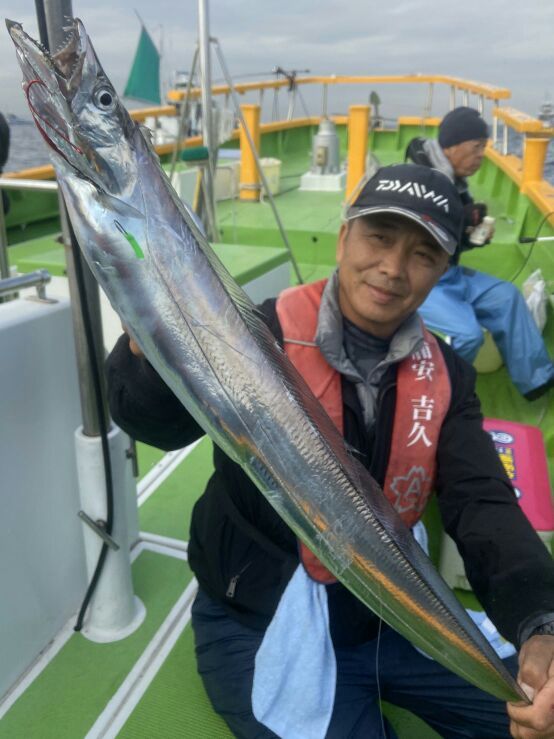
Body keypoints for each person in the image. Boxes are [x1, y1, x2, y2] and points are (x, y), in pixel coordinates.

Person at [106, 164, 554, 738]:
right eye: (379, 237)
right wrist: (147, 355)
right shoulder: (254, 335)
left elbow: (481, 501)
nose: (392, 268)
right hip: (257, 616)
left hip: (393, 613)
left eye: (423, 254)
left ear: (444, 270)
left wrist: (539, 621)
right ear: (344, 238)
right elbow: (159, 426)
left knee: (538, 713)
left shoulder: (449, 376)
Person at [406, 106, 554, 400]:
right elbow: (413, 236)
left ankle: (538, 380)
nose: (481, 156)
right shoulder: (420, 180)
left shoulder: (456, 183)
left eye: (483, 148)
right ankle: (433, 399)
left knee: (507, 297)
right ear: (452, 145)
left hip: (449, 273)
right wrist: (460, 220)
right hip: (419, 278)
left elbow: (454, 239)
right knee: (466, 334)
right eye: (476, 147)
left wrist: (471, 237)